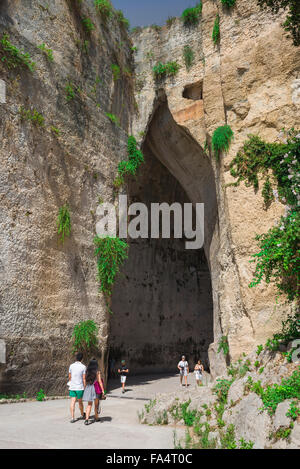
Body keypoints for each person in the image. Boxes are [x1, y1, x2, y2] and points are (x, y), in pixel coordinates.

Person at [82, 359, 105, 425]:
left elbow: (85, 381)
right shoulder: (97, 371)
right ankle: (96, 417)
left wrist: (84, 388)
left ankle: (86, 419)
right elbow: (100, 381)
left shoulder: (87, 371)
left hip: (88, 388)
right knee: (96, 405)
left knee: (89, 404)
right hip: (95, 388)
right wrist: (103, 391)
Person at [68, 352, 86, 423]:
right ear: (82, 359)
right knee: (80, 402)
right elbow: (84, 378)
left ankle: (72, 417)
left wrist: (71, 382)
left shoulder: (71, 366)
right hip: (79, 387)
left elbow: (69, 376)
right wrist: (84, 386)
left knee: (72, 402)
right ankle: (82, 414)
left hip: (72, 386)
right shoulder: (83, 367)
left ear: (76, 358)